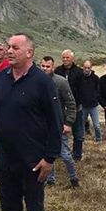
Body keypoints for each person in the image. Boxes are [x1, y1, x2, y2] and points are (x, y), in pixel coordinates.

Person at [0, 34, 62, 211]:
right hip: (5, 158)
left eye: (14, 48)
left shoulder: (42, 82)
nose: (9, 51)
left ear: (29, 52)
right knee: (10, 209)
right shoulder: (2, 79)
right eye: (8, 47)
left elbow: (55, 121)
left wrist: (50, 158)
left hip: (33, 159)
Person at [40, 56, 79, 188]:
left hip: (58, 125)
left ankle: (74, 180)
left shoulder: (60, 82)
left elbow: (71, 103)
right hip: (42, 125)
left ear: (53, 67)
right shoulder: (36, 81)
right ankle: (50, 179)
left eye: (47, 66)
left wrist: (68, 123)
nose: (45, 69)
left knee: (65, 154)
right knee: (46, 153)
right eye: (43, 66)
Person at [55, 50, 85, 159]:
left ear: (72, 59)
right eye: (63, 58)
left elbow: (83, 90)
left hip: (76, 107)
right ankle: (59, 152)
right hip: (61, 107)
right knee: (58, 131)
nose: (65, 60)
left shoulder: (79, 72)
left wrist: (78, 102)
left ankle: (77, 154)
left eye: (67, 58)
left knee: (78, 133)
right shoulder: (57, 71)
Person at [78, 60, 102, 143]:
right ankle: (82, 138)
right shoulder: (80, 78)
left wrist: (95, 98)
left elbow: (99, 90)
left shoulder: (96, 78)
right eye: (85, 68)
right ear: (83, 68)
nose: (87, 69)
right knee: (81, 124)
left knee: (96, 125)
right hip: (83, 105)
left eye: (88, 68)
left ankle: (98, 139)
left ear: (91, 68)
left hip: (93, 106)